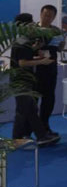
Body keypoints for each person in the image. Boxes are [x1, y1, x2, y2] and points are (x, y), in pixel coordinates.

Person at [10, 13, 60, 146]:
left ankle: (19, 138)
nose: (33, 25)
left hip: (24, 79)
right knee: (29, 109)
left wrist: (36, 49)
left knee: (24, 110)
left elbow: (25, 57)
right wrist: (42, 62)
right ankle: (41, 135)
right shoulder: (22, 42)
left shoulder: (23, 41)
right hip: (21, 80)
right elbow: (22, 63)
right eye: (31, 23)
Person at [35, 5, 64, 137]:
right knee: (33, 99)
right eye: (45, 15)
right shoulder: (31, 29)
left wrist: (61, 42)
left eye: (50, 16)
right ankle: (29, 129)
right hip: (34, 68)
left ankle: (45, 126)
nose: (47, 18)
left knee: (49, 98)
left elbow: (60, 48)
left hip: (50, 68)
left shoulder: (56, 31)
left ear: (54, 17)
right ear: (41, 14)